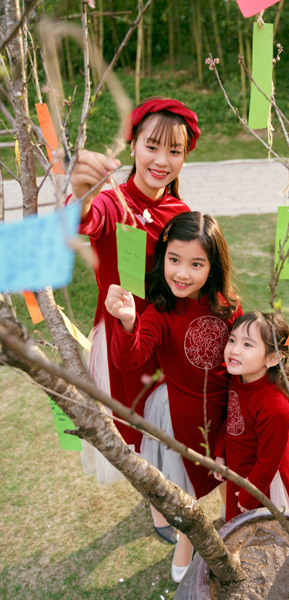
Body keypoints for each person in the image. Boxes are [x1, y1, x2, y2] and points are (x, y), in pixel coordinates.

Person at [69, 97, 200, 493]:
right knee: (140, 423)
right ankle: (159, 497)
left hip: (166, 334)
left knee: (171, 419)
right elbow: (86, 219)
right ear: (133, 147)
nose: (162, 160)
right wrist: (81, 193)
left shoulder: (180, 211)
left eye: (173, 151)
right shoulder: (112, 200)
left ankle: (172, 490)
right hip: (124, 337)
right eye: (152, 146)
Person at [105, 212, 242, 582]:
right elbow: (128, 358)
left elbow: (241, 363)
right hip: (180, 416)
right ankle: (186, 541)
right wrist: (128, 323)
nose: (182, 273)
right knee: (186, 488)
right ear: (162, 257)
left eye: (196, 264)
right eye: (174, 260)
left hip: (225, 410)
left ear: (213, 266)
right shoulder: (159, 312)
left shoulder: (228, 307)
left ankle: (235, 526)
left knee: (232, 473)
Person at [214, 311, 289, 522]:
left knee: (264, 531)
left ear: (273, 358)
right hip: (239, 468)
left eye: (247, 345)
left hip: (264, 483)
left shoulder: (275, 407)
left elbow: (268, 462)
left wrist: (251, 494)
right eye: (232, 340)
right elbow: (232, 418)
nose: (234, 350)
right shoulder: (238, 378)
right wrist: (220, 452)